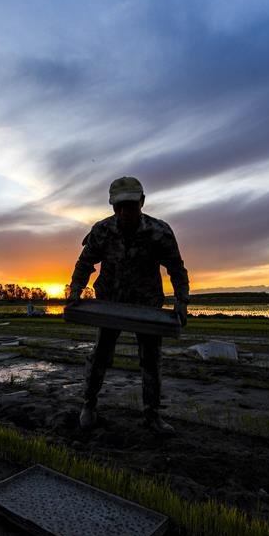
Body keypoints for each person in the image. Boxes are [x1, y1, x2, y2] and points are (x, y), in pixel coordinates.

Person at [67, 176, 190, 434]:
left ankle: (152, 415)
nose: (124, 212)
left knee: (151, 360)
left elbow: (176, 268)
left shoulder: (159, 232)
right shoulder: (102, 230)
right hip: (111, 303)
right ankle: (89, 405)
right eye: (119, 206)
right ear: (113, 207)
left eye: (131, 205)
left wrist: (181, 300)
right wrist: (76, 290)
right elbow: (85, 262)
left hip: (147, 305)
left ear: (142, 202)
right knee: (101, 354)